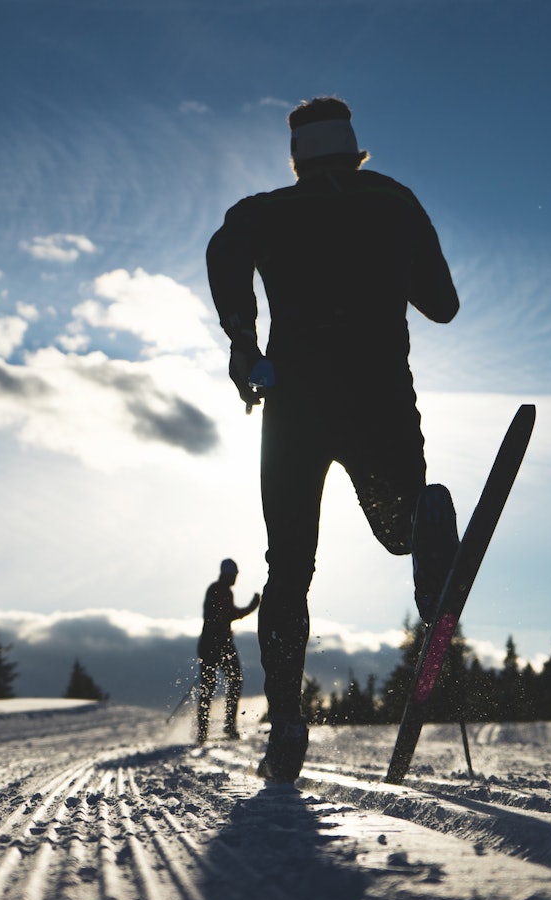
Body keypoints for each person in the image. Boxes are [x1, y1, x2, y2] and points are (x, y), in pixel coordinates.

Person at [206, 96, 462, 783]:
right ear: (355, 151)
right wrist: (387, 259)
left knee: (289, 567)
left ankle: (287, 720)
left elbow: (224, 247)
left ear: (298, 159)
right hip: (379, 399)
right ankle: (425, 523)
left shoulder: (266, 212)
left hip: (295, 407)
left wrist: (243, 340)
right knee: (397, 524)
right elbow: (443, 304)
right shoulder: (395, 202)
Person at [196, 558, 260, 745]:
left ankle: (209, 730)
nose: (236, 579)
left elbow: (226, 614)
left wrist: (249, 608)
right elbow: (224, 614)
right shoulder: (218, 590)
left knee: (216, 684)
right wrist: (251, 607)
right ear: (229, 574)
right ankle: (219, 728)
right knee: (220, 683)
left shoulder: (221, 590)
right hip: (215, 644)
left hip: (213, 644)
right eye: (235, 575)